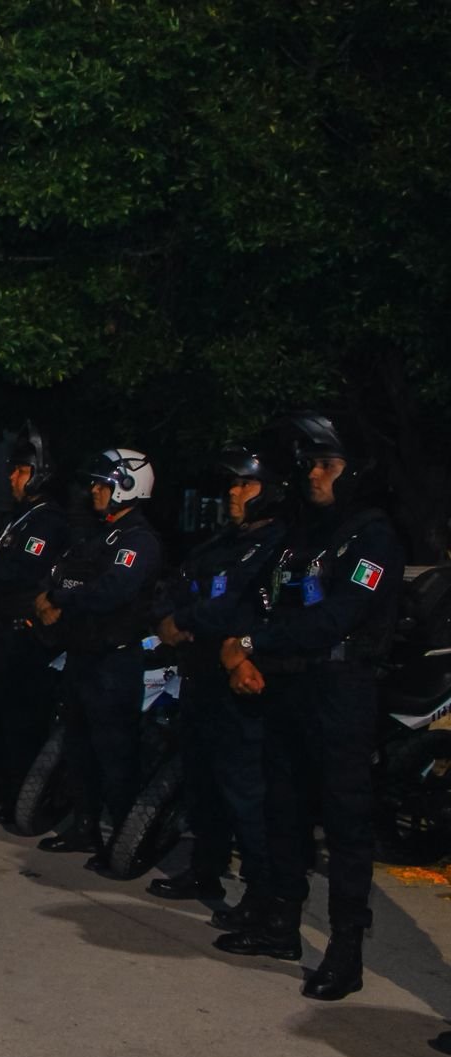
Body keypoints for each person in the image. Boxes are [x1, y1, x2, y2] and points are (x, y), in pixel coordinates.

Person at [214, 413, 403, 1001]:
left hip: (341, 692)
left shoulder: (372, 537)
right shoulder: (303, 532)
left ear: (356, 471)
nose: (314, 475)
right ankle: (281, 925)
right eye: (311, 465)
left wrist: (253, 644)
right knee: (283, 810)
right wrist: (245, 654)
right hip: (288, 687)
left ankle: (346, 952)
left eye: (326, 464)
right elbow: (264, 597)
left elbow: (337, 616)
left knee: (345, 825)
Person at [148, 445, 286, 925]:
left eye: (245, 484)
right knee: (202, 782)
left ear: (270, 491)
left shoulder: (277, 544)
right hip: (199, 675)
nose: (234, 492)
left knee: (244, 792)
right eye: (233, 483)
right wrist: (171, 618)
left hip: (239, 685)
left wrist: (184, 621)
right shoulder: (222, 542)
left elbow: (233, 607)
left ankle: (262, 895)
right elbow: (177, 585)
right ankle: (205, 870)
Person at [33, 448, 161, 869]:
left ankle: (124, 844)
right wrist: (51, 597)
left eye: (103, 484)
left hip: (114, 662)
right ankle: (85, 827)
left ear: (128, 486)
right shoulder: (97, 535)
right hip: (82, 656)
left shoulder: (138, 540)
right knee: (78, 748)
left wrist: (60, 600)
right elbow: (66, 574)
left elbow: (112, 591)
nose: (95, 490)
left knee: (115, 755)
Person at [0, 426, 70, 819]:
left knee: (24, 717)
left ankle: (21, 793)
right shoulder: (17, 518)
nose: (12, 477)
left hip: (26, 634)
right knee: (0, 710)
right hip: (0, 628)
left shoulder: (47, 521)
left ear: (39, 474)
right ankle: (0, 781)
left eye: (21, 471)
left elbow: (20, 571)